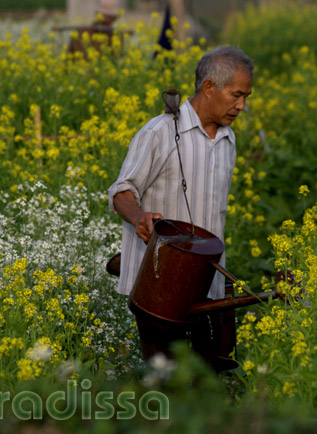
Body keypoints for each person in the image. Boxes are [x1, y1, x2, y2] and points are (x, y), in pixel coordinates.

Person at [108, 46, 254, 366]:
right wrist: (139, 218)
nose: (241, 106)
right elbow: (121, 192)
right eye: (236, 95)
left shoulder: (228, 140)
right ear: (209, 87)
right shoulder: (159, 132)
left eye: (246, 97)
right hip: (159, 288)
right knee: (166, 382)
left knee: (208, 381)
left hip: (208, 286)